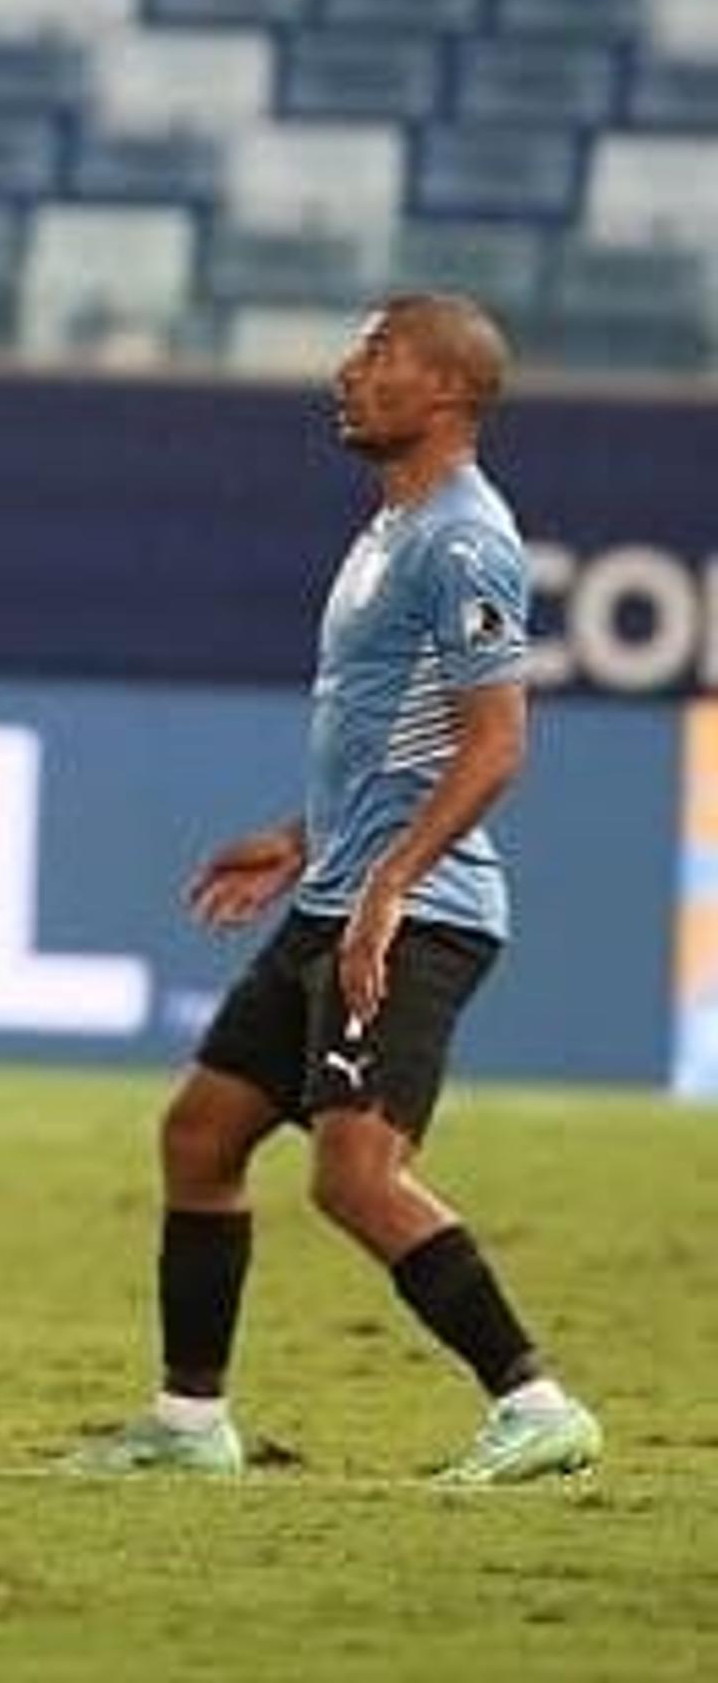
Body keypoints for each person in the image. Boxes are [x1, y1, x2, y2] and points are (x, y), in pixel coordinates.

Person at [68, 296, 603, 1486]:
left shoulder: (464, 537)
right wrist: (306, 841)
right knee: (202, 1133)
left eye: (379, 354)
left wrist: (389, 886)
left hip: (419, 913)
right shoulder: (387, 527)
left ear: (449, 393)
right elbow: (394, 750)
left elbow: (495, 740)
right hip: (344, 892)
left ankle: (536, 1399)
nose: (349, 371)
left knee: (355, 1174)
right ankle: (190, 1419)